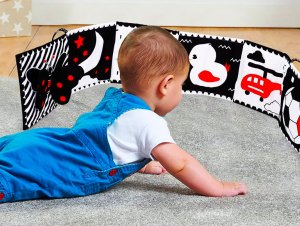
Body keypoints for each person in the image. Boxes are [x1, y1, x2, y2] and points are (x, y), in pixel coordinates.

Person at [0, 26, 247, 203]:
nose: (180, 92)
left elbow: (113, 139)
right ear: (166, 84)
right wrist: (217, 188)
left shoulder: (116, 97)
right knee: (13, 180)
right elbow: (181, 164)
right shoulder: (149, 123)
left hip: (46, 142)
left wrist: (140, 163)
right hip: (62, 165)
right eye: (181, 85)